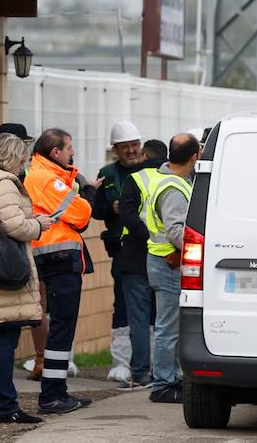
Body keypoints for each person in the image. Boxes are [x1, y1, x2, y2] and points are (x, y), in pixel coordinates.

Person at [0, 133, 54, 424]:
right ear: (11, 157)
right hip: (4, 276)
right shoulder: (4, 184)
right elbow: (14, 225)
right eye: (22, 159)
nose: (24, 165)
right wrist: (38, 225)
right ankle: (6, 405)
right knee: (4, 340)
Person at [24, 128, 95, 414]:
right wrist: (86, 196)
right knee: (62, 328)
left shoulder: (44, 175)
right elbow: (81, 214)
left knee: (61, 328)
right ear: (55, 152)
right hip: (59, 259)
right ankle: (52, 395)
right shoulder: (45, 178)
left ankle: (56, 391)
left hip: (55, 257)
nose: (72, 153)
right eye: (69, 148)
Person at [141, 133, 200, 403]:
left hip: (163, 261)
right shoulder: (174, 188)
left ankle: (168, 377)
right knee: (167, 326)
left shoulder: (170, 179)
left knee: (169, 325)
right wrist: (203, 246)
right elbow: (177, 231)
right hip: (168, 263)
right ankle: (162, 384)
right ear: (194, 157)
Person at [92, 122, 143, 383]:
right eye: (126, 147)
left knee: (152, 305)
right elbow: (95, 210)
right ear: (116, 149)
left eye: (135, 145)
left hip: (150, 248)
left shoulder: (151, 169)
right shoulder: (107, 173)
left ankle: (147, 362)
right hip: (121, 250)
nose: (132, 150)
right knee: (121, 302)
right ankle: (122, 362)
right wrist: (110, 208)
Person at [117, 139, 169, 390]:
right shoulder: (177, 181)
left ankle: (140, 373)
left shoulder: (135, 179)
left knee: (138, 318)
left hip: (136, 256)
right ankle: (165, 372)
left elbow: (126, 214)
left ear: (145, 155)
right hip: (168, 256)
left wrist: (145, 236)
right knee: (165, 318)